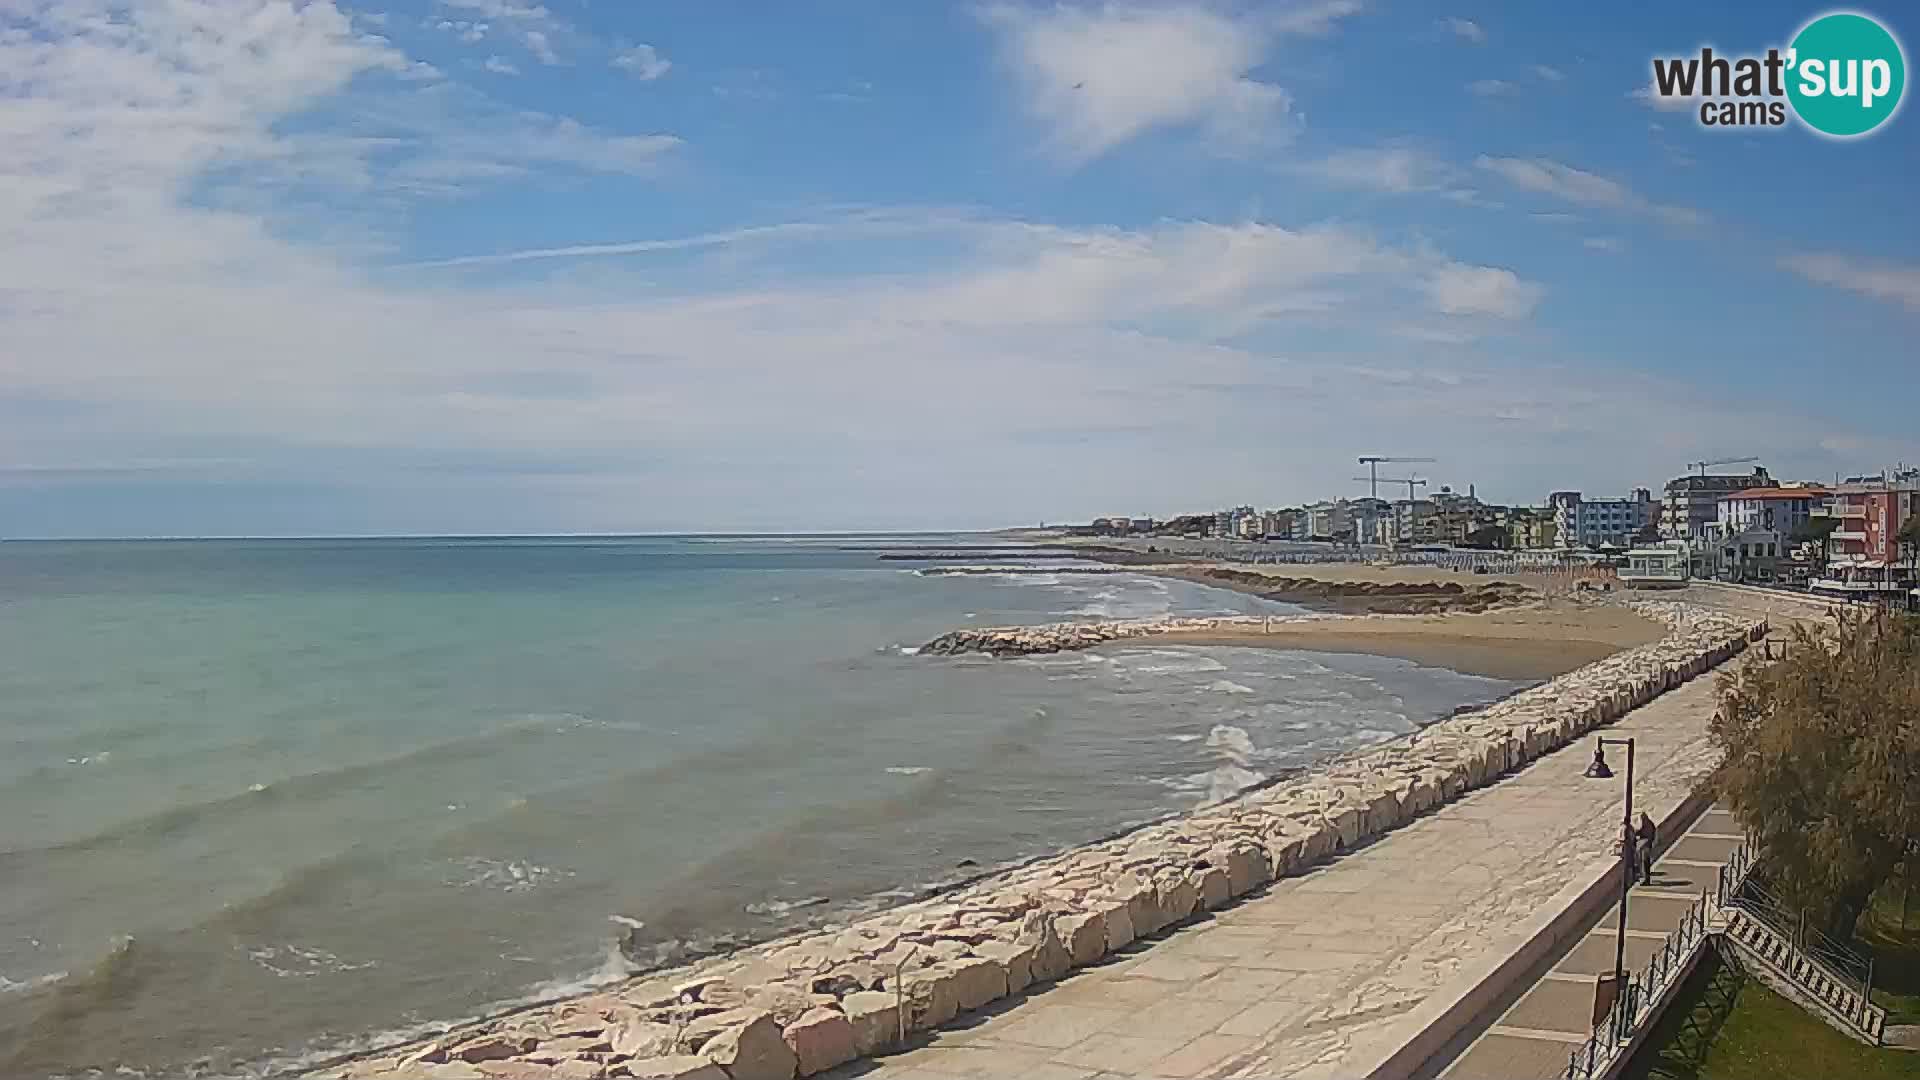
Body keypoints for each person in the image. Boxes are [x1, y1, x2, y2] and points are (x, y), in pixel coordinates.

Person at [1636, 812, 1657, 884]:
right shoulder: (1649, 824)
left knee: (1645, 863)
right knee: (1646, 863)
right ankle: (1646, 879)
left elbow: (1645, 834)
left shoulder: (1647, 825)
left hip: (1646, 846)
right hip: (1647, 845)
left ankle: (1646, 879)